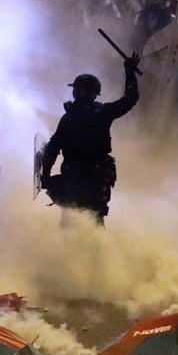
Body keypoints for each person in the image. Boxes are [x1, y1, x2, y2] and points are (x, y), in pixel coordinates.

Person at [40, 52, 141, 226]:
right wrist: (129, 72)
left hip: (73, 180)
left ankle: (66, 252)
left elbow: (53, 148)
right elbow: (131, 99)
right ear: (95, 94)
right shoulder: (103, 113)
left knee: (69, 221)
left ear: (77, 92)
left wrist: (45, 175)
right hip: (97, 180)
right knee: (95, 222)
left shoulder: (68, 119)